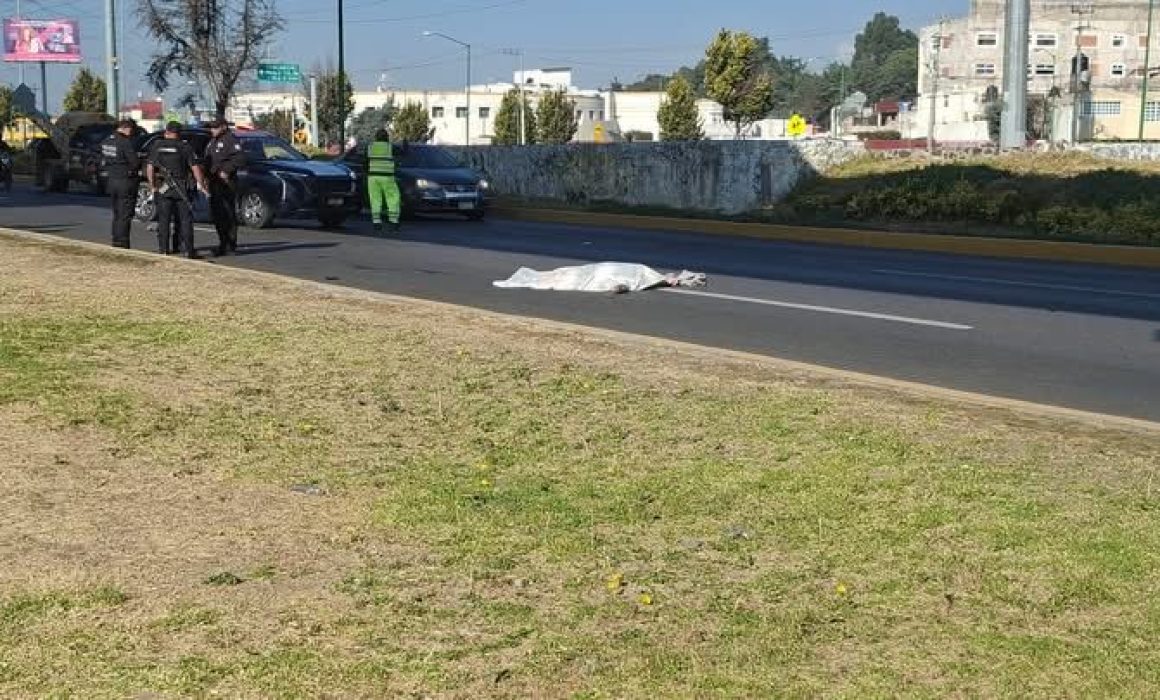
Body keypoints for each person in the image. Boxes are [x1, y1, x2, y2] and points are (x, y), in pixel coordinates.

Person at [146, 121, 207, 258]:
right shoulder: (185, 147)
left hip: (163, 187)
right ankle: (188, 251)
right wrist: (201, 184)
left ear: (166, 131)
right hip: (181, 187)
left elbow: (150, 167)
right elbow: (195, 167)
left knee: (164, 220)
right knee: (185, 220)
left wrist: (152, 186)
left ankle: (163, 250)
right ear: (179, 133)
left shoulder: (157, 145)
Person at [204, 118, 245, 256]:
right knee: (217, 214)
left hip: (226, 182)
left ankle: (230, 244)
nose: (212, 130)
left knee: (227, 213)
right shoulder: (212, 141)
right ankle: (222, 242)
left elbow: (240, 158)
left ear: (223, 127)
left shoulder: (230, 140)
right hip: (214, 182)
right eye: (211, 127)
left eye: (215, 127)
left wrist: (227, 170)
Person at [101, 119, 142, 249]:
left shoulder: (107, 140)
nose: (131, 133)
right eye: (131, 130)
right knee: (125, 214)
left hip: (111, 180)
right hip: (125, 180)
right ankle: (122, 242)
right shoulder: (124, 142)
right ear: (126, 128)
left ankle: (115, 239)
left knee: (117, 212)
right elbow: (135, 162)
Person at [365, 128, 401, 233]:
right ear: (387, 137)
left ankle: (376, 223)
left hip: (372, 177)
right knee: (393, 198)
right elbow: (403, 153)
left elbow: (365, 161)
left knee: (375, 199)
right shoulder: (390, 147)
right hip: (387, 177)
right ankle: (393, 223)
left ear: (376, 137)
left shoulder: (370, 147)